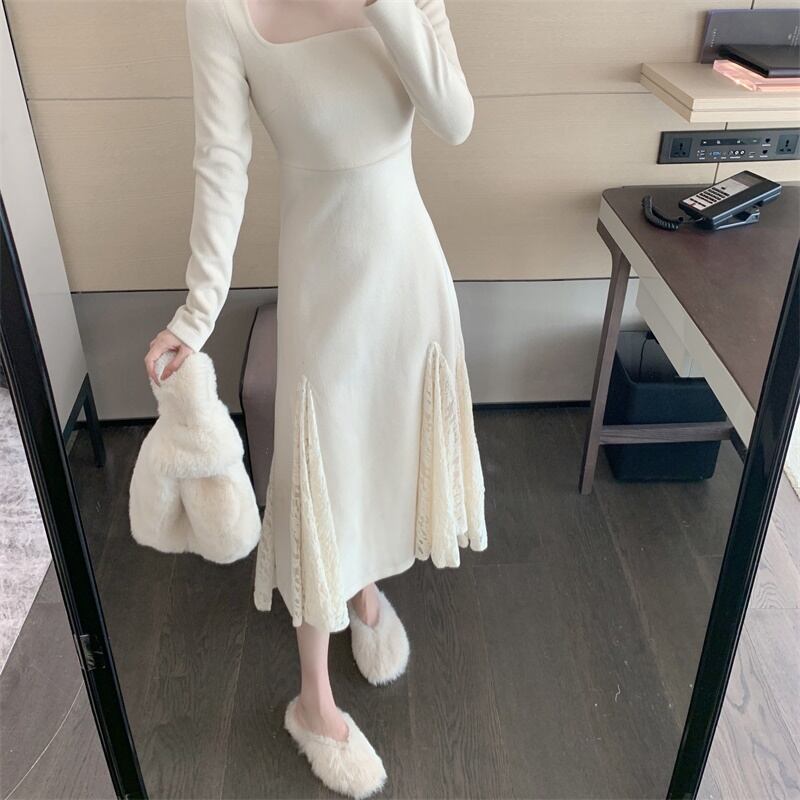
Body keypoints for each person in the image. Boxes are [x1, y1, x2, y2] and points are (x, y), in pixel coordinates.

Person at [144, 0, 488, 795]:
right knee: (320, 472)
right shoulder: (220, 9)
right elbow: (221, 161)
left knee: (380, 448)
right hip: (323, 287)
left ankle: (363, 591)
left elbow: (455, 118)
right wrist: (197, 312)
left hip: (408, 271)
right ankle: (314, 703)